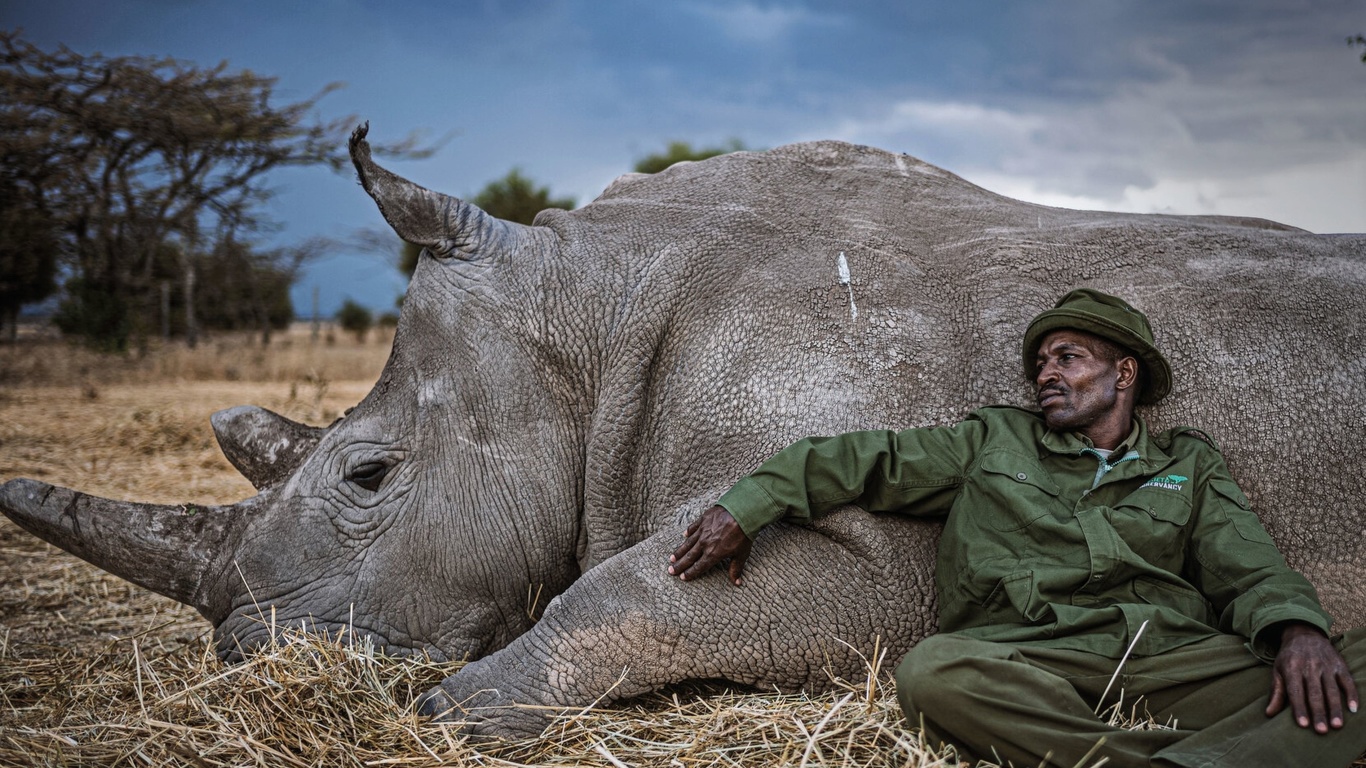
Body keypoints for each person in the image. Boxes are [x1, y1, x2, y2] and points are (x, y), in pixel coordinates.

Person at [668, 289, 1365, 767]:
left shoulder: (1189, 461)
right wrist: (751, 504)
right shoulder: (992, 442)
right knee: (932, 674)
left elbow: (1247, 563)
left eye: (1067, 358)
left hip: (1163, 655)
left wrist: (1297, 631)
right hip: (1026, 659)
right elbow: (865, 459)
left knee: (1349, 667)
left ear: (1124, 373)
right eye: (1040, 364)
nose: (1046, 376)